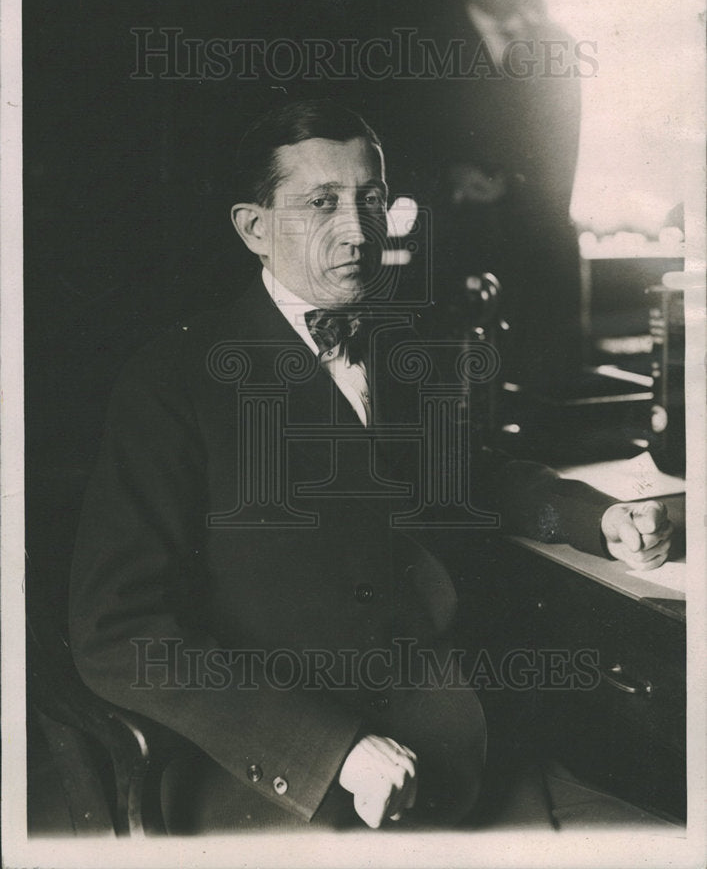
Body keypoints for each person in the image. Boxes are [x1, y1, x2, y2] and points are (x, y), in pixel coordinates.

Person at [69, 100, 673, 833]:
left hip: (461, 744)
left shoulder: (397, 345)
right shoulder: (173, 379)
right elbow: (118, 632)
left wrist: (597, 517)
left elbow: (470, 477)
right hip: (288, 785)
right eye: (321, 203)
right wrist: (331, 752)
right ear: (254, 228)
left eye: (371, 200)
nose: (357, 231)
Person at [420, 0, 584, 390]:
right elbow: (404, 139)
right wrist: (447, 178)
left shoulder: (556, 44)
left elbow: (564, 147)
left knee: (545, 389)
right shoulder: (426, 44)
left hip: (539, 247)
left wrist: (517, 185)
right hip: (456, 242)